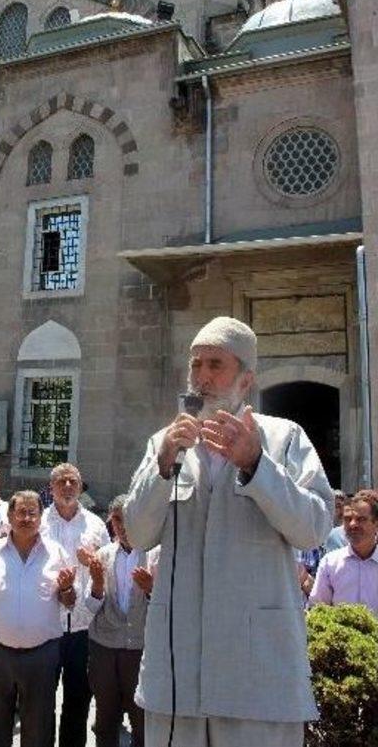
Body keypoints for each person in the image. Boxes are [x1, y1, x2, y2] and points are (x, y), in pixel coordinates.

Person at [125, 316, 334, 747]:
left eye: (215, 364)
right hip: (177, 675)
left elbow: (313, 528)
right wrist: (163, 466)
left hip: (256, 679)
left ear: (246, 378)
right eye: (195, 365)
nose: (201, 377)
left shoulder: (283, 439)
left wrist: (257, 464)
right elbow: (138, 533)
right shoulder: (165, 443)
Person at [0, 489, 77, 747]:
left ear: (41, 517)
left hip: (41, 654)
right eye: (21, 512)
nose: (26, 518)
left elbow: (69, 603)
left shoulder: (56, 553)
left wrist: (67, 588)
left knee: (39, 727)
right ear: (9, 515)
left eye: (33, 513)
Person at [40, 462, 110, 747]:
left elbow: (108, 566)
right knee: (42, 700)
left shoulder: (95, 524)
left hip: (83, 626)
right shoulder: (39, 521)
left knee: (78, 700)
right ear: (51, 488)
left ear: (81, 488)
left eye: (73, 482)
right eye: (61, 482)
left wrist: (93, 562)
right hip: (46, 623)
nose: (68, 486)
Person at [86, 494, 157, 747]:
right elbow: (91, 606)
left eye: (128, 520)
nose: (123, 527)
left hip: (141, 649)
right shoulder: (103, 556)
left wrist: (151, 589)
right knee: (106, 717)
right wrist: (95, 584)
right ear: (111, 522)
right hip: (105, 648)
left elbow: (167, 607)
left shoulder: (154, 555)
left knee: (142, 720)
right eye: (117, 520)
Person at [308, 490, 378, 615]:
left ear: (376, 523)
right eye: (347, 519)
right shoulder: (331, 563)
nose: (353, 524)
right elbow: (318, 609)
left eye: (361, 519)